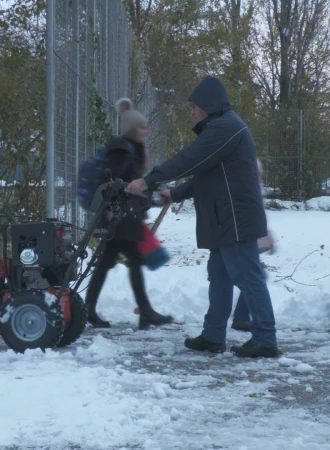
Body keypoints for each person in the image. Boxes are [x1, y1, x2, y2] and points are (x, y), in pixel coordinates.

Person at [128, 76, 279, 357]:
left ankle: (266, 339)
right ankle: (213, 336)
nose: (192, 111)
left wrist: (148, 180)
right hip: (226, 220)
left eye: (195, 106)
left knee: (248, 277)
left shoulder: (226, 128)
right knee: (219, 277)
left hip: (235, 219)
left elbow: (190, 159)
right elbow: (205, 174)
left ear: (209, 105)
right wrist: (177, 193)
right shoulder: (221, 128)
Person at [83, 97, 174, 331]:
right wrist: (112, 211)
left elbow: (133, 183)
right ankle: (145, 313)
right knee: (132, 260)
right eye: (142, 127)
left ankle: (89, 309)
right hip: (121, 217)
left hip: (124, 216)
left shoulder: (129, 149)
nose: (145, 130)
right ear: (132, 130)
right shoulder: (122, 150)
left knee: (108, 262)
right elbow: (112, 182)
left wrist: (153, 193)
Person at [231, 159, 275, 332]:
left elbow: (259, 214)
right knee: (256, 277)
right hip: (243, 237)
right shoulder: (245, 185)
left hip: (250, 236)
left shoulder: (253, 184)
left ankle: (240, 317)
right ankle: (240, 317)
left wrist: (266, 237)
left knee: (253, 276)